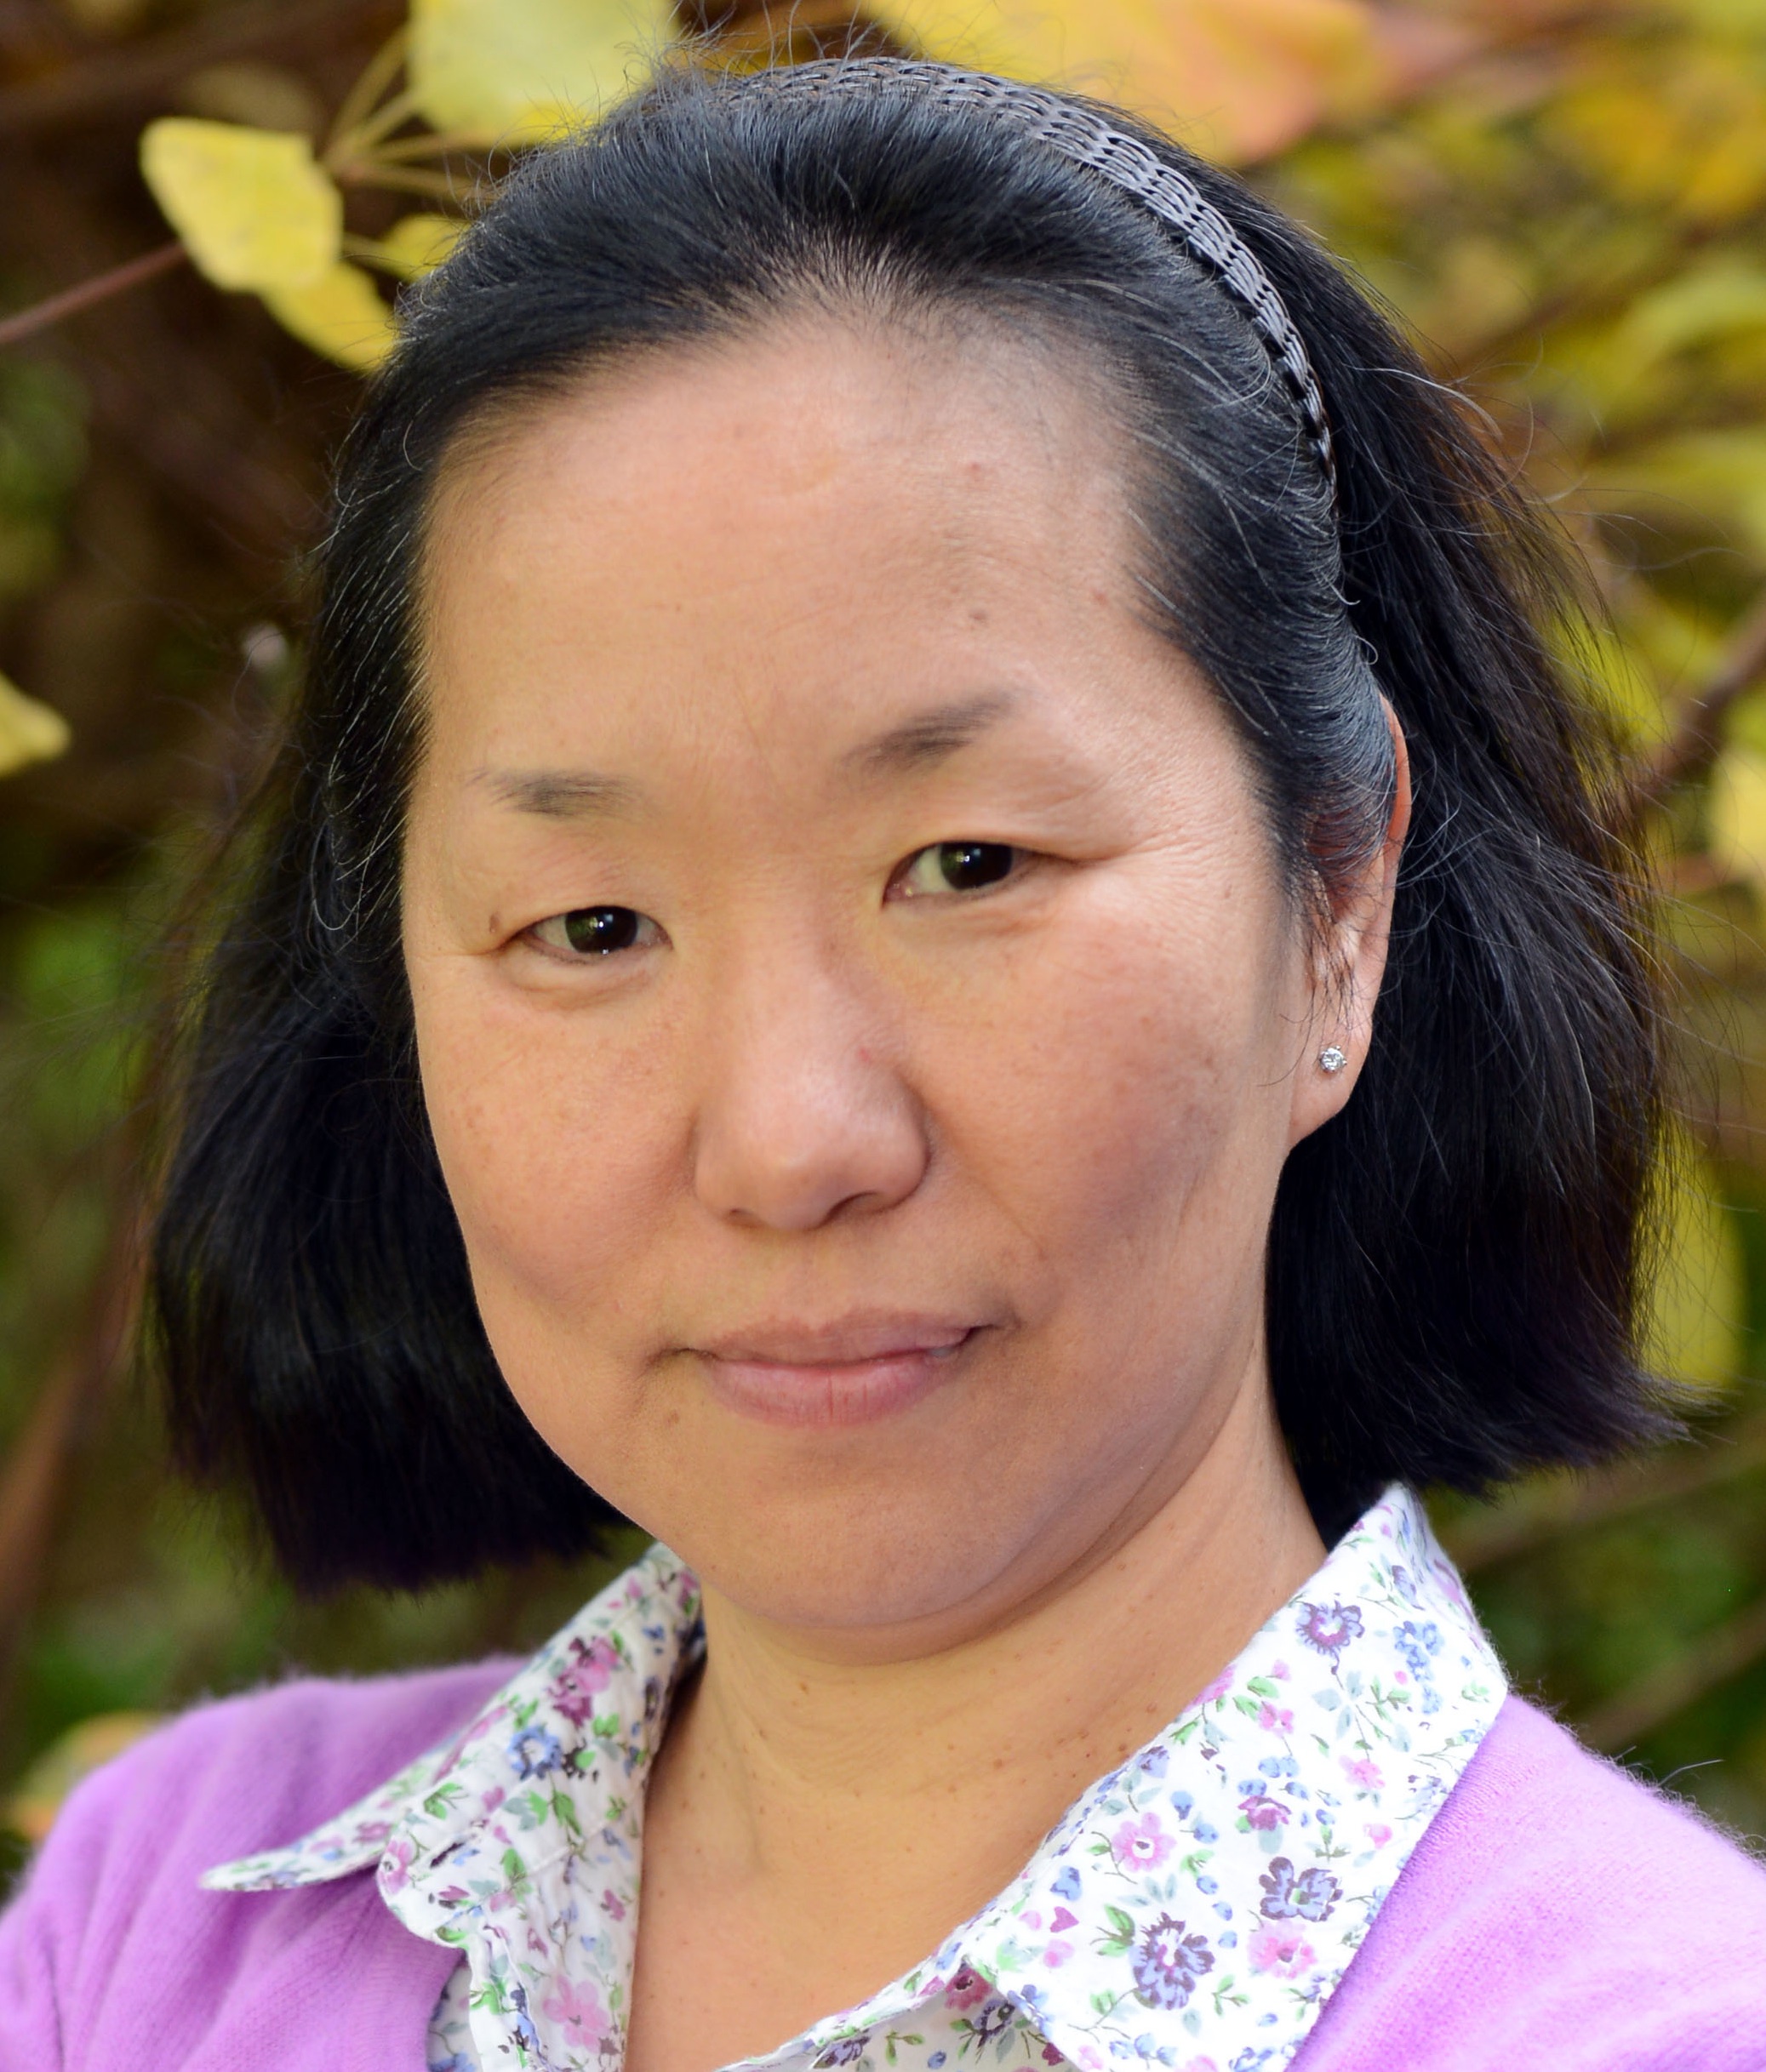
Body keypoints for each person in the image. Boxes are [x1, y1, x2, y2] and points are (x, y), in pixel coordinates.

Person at [4, 53, 1764, 2072]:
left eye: (968, 866)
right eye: (593, 926)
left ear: (1340, 895)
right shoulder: (167, 1928)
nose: (790, 1141)